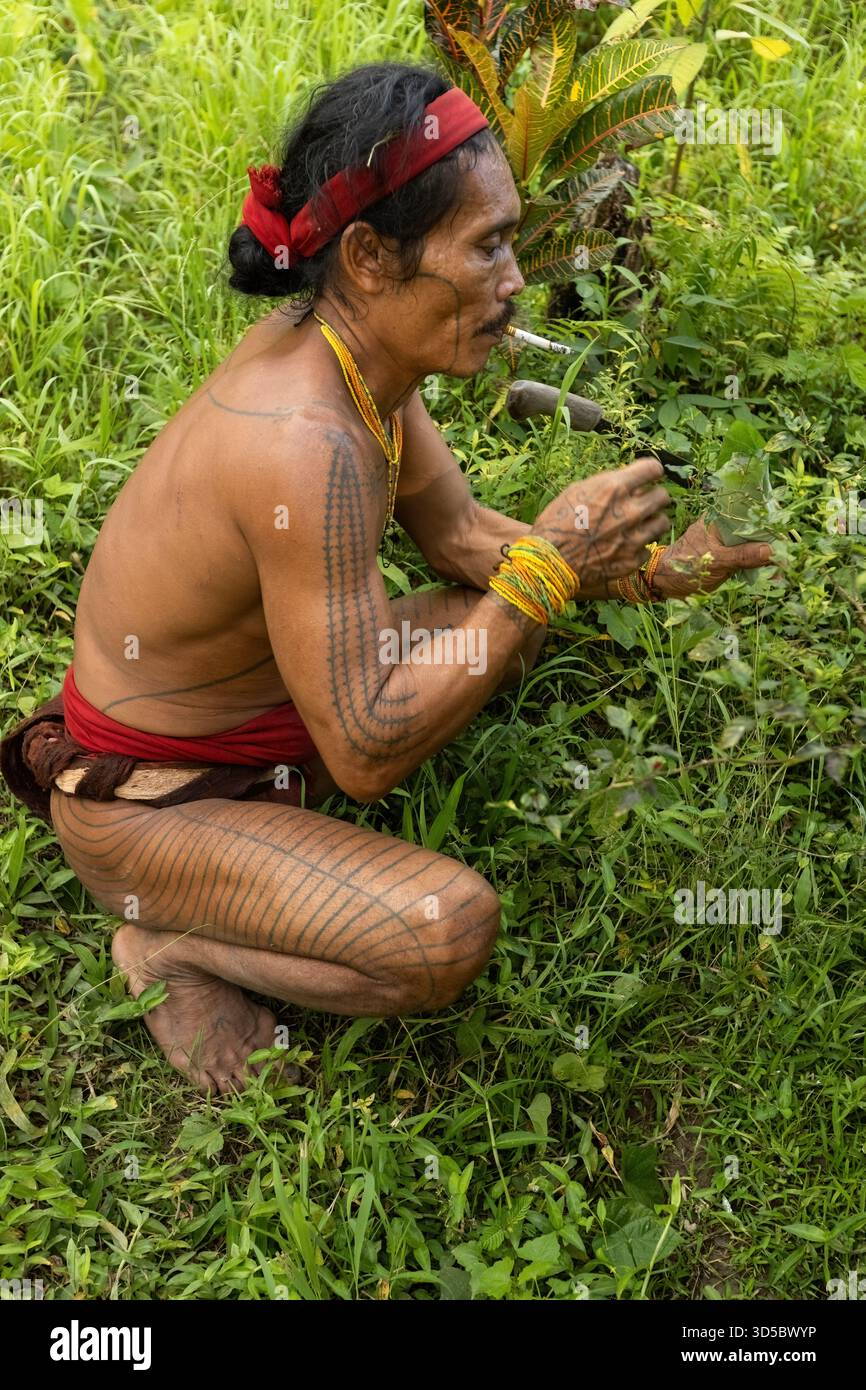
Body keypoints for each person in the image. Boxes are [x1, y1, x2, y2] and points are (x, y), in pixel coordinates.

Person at [0, 62, 772, 1095]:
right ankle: (169, 951)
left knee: (496, 617)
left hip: (265, 719)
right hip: (151, 809)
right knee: (441, 929)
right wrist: (547, 565)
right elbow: (364, 751)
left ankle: (240, 872)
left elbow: (456, 541)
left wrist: (628, 573)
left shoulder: (360, 364)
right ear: (367, 255)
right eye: (487, 246)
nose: (513, 281)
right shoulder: (301, 444)